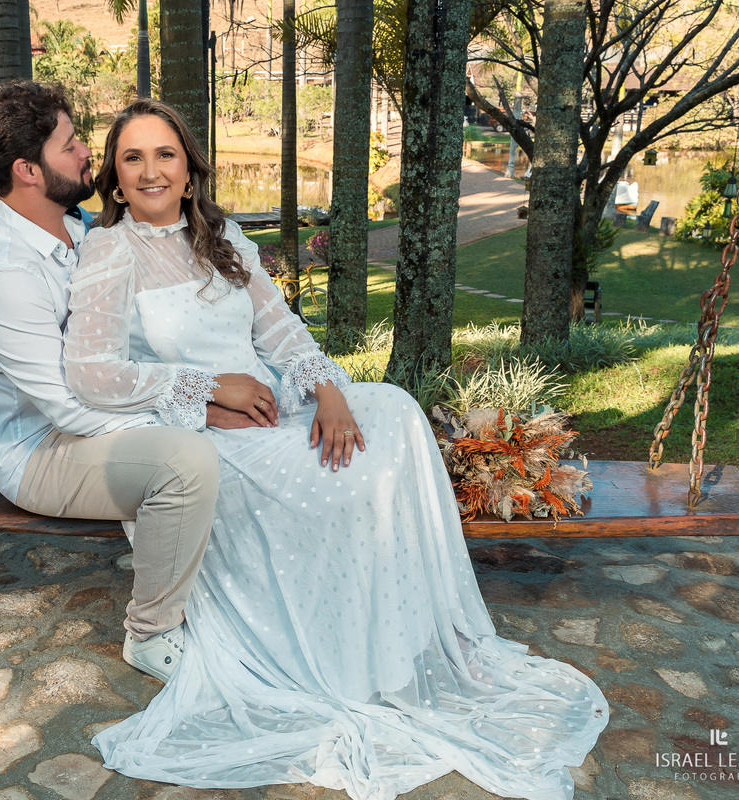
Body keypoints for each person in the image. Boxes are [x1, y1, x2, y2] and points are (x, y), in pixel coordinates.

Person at [61, 99, 608, 800]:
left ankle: (404, 637)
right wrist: (204, 393)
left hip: (276, 407)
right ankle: (349, 662)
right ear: (113, 176)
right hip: (208, 436)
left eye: (164, 154)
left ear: (190, 171)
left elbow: (280, 332)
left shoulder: (222, 237)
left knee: (397, 414)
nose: (150, 170)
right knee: (342, 484)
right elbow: (94, 373)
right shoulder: (110, 250)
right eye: (132, 157)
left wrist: (329, 393)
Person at [0, 81, 261, 683]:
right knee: (187, 461)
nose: (85, 154)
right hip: (42, 451)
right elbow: (69, 407)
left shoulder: (75, 228)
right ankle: (151, 632)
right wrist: (197, 405)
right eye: (69, 146)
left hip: (104, 410)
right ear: (28, 170)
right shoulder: (2, 276)